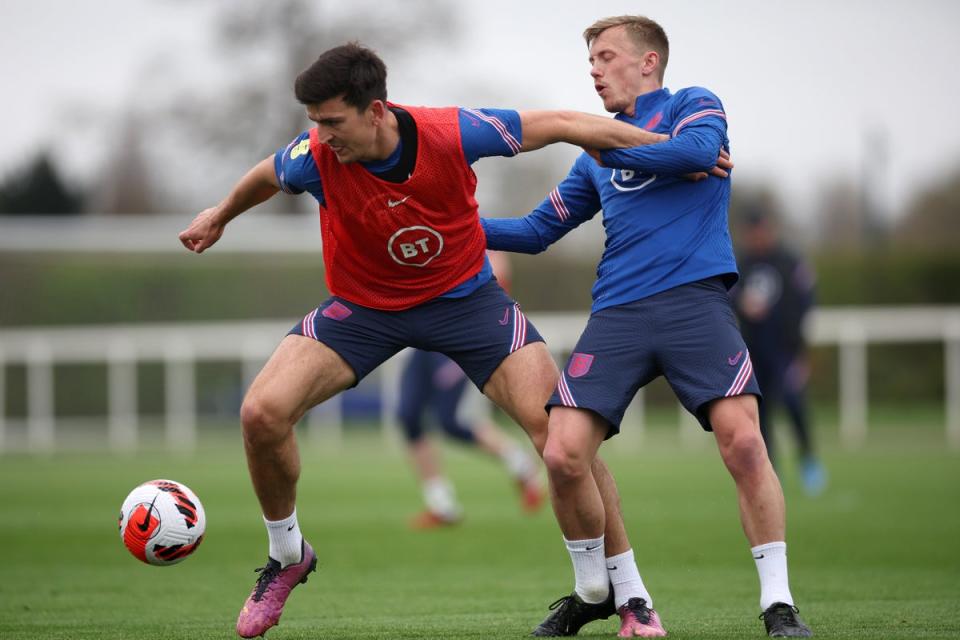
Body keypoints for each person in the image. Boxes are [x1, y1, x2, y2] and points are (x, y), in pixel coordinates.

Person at [178, 42, 675, 639]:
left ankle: (631, 598)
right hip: (364, 308)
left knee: (563, 436)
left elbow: (565, 124)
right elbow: (265, 173)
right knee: (261, 413)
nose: (321, 136)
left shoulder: (451, 132)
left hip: (467, 301)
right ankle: (287, 555)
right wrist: (220, 214)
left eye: (333, 122)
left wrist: (673, 153)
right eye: (313, 123)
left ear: (377, 111)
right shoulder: (314, 156)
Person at [481, 16, 813, 638]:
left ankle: (778, 603)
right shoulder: (594, 155)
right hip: (618, 314)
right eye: (591, 62)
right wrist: (457, 228)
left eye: (606, 57)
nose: (595, 70)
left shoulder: (693, 104)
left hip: (695, 306)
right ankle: (599, 591)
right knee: (562, 454)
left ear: (649, 61)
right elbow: (534, 231)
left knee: (743, 442)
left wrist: (617, 145)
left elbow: (694, 150)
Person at [398, 251, 545, 528]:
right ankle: (442, 505)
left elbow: (498, 281)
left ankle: (521, 464)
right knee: (408, 416)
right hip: (422, 332)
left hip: (456, 335)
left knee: (449, 421)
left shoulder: (479, 237)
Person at [733, 207, 826, 496]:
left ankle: (809, 460)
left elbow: (806, 300)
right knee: (760, 415)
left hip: (785, 351)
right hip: (752, 352)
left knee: (794, 404)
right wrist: (742, 306)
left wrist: (801, 351)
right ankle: (770, 470)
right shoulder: (740, 264)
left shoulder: (789, 261)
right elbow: (726, 296)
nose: (757, 237)